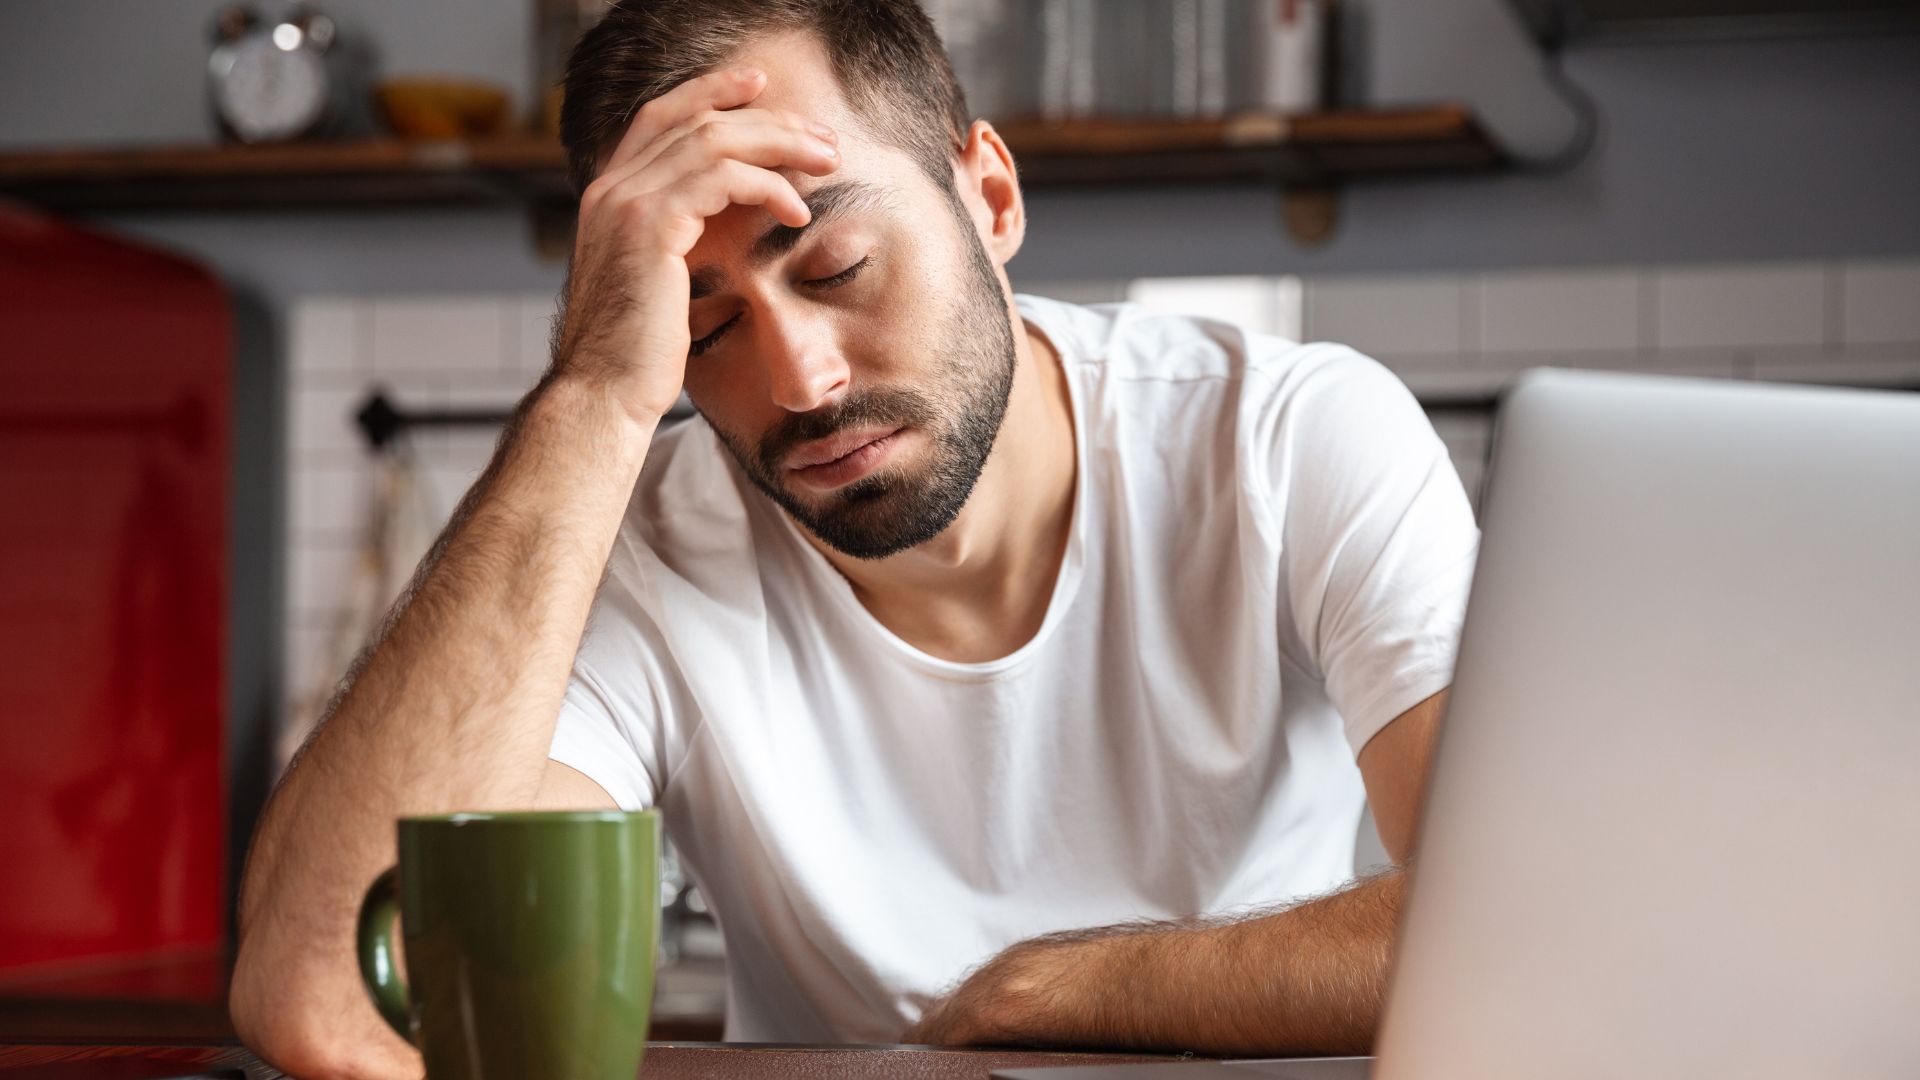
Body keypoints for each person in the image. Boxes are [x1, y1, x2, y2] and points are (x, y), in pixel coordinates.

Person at [230, 1, 1480, 1076]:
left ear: (988, 198)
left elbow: (1523, 913)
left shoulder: (1289, 437)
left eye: (835, 266)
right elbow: (326, 999)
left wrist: (1050, 995)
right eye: (703, 331)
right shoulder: (636, 544)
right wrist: (595, 393)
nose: (802, 381)